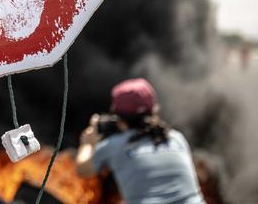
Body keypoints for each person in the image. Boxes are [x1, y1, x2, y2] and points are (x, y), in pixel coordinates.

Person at [76, 78, 204, 204]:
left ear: (118, 117)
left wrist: (88, 143)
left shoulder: (113, 146)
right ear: (154, 110)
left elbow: (83, 169)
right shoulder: (176, 138)